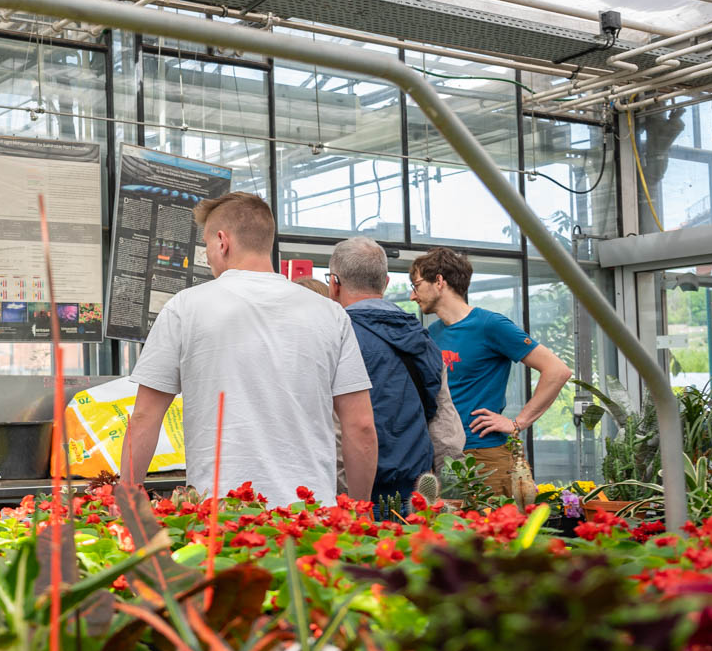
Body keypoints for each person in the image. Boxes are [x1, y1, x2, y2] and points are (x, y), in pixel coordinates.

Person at [120, 192, 377, 506]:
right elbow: (360, 426)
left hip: (219, 516)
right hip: (311, 519)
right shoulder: (331, 314)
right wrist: (360, 510)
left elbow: (144, 418)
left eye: (206, 248)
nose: (208, 258)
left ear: (221, 242)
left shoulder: (184, 309)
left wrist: (127, 500)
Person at [408, 246, 572, 496]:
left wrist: (518, 422)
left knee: (493, 533)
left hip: (485, 455)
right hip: (443, 456)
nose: (412, 295)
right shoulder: (432, 335)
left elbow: (557, 370)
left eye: (416, 284)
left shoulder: (489, 325)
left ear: (439, 281)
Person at [327, 238, 464, 516]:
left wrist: (349, 502)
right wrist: (451, 497)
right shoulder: (424, 341)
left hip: (353, 502)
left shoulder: (335, 338)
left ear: (334, 283)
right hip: (416, 499)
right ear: (386, 283)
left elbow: (338, 429)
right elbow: (445, 428)